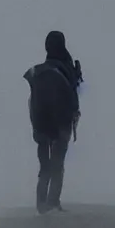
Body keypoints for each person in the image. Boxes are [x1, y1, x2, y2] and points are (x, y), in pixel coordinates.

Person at [24, 31, 83, 213]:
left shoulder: (39, 72)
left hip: (40, 123)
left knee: (44, 166)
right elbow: (73, 96)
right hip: (61, 124)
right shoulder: (65, 67)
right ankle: (53, 202)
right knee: (57, 164)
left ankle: (41, 204)